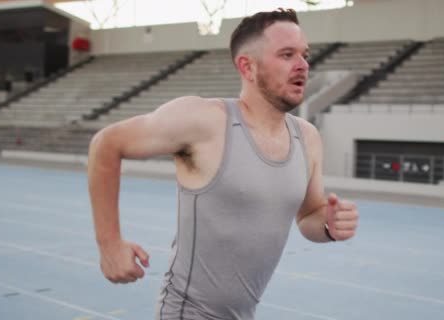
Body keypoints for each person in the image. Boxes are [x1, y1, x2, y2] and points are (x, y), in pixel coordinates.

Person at [87, 8, 359, 320]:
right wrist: (109, 244)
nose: (303, 65)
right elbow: (106, 144)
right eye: (287, 55)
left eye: (304, 54)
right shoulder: (205, 120)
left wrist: (328, 224)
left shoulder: (307, 138)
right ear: (248, 66)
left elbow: (309, 214)